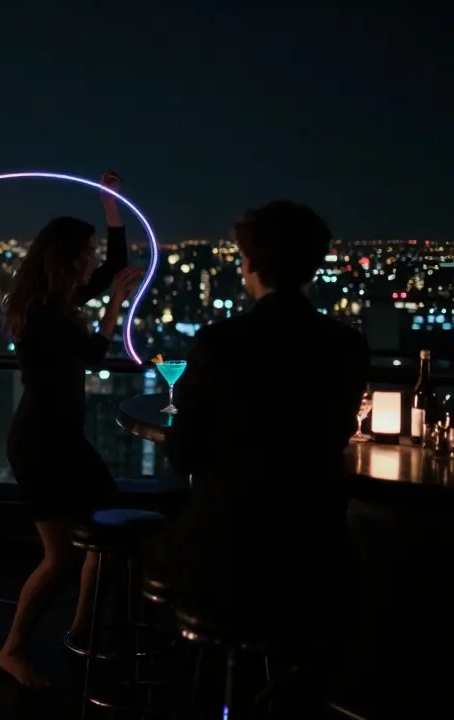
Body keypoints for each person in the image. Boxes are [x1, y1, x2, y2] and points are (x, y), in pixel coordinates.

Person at [163, 201, 368, 710]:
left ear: (250, 262)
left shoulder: (221, 343)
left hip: (225, 559)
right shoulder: (345, 345)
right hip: (316, 560)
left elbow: (183, 451)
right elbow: (337, 433)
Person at [0, 170, 143, 688]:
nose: (93, 261)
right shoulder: (43, 312)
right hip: (41, 444)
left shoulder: (56, 301)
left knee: (106, 534)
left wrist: (111, 207)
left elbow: (114, 269)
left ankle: (82, 631)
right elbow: (93, 353)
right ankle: (13, 650)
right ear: (68, 258)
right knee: (59, 557)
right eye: (88, 253)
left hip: (60, 439)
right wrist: (115, 306)